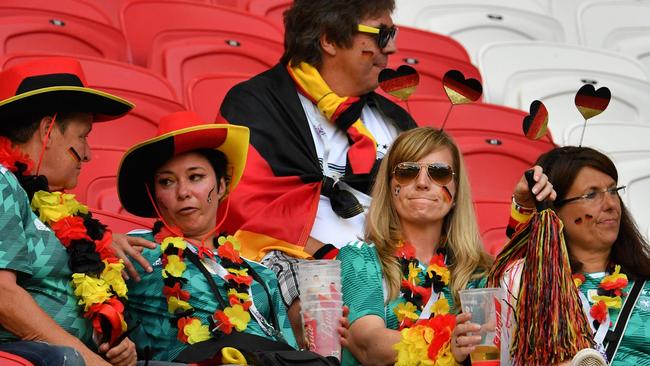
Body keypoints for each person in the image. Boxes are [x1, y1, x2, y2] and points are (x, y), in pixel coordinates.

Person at [219, 0, 417, 341]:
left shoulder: (394, 120)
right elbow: (244, 212)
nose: (393, 47)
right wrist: (350, 270)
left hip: (400, 283)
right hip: (310, 287)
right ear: (329, 40)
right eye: (382, 33)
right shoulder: (254, 105)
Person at [116, 111, 301, 363]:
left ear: (222, 185)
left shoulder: (262, 275)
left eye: (195, 177)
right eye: (167, 182)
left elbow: (289, 351)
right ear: (154, 194)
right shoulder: (136, 249)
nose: (183, 192)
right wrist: (104, 245)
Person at [0, 57, 138, 365]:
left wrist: (113, 343)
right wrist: (90, 360)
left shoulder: (49, 203)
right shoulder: (0, 181)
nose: (88, 154)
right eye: (83, 136)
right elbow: (2, 295)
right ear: (48, 129)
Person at [337, 127, 500, 365]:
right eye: (407, 171)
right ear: (391, 187)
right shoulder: (360, 258)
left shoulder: (479, 270)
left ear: (455, 192)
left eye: (439, 173)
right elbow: (372, 346)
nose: (422, 182)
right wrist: (446, 342)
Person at [504, 146, 650, 365]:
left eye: (613, 190)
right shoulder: (532, 287)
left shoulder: (645, 284)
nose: (610, 204)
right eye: (591, 195)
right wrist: (523, 208)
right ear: (556, 211)